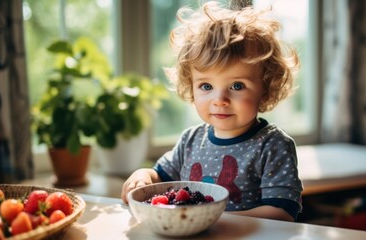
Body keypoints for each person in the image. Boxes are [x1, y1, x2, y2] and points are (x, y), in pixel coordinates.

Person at [121, 1, 303, 221]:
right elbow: (158, 176)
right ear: (191, 86)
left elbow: (282, 212)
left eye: (237, 86)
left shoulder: (272, 145)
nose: (220, 100)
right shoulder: (190, 140)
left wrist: (214, 220)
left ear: (265, 89)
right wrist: (142, 175)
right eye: (206, 86)